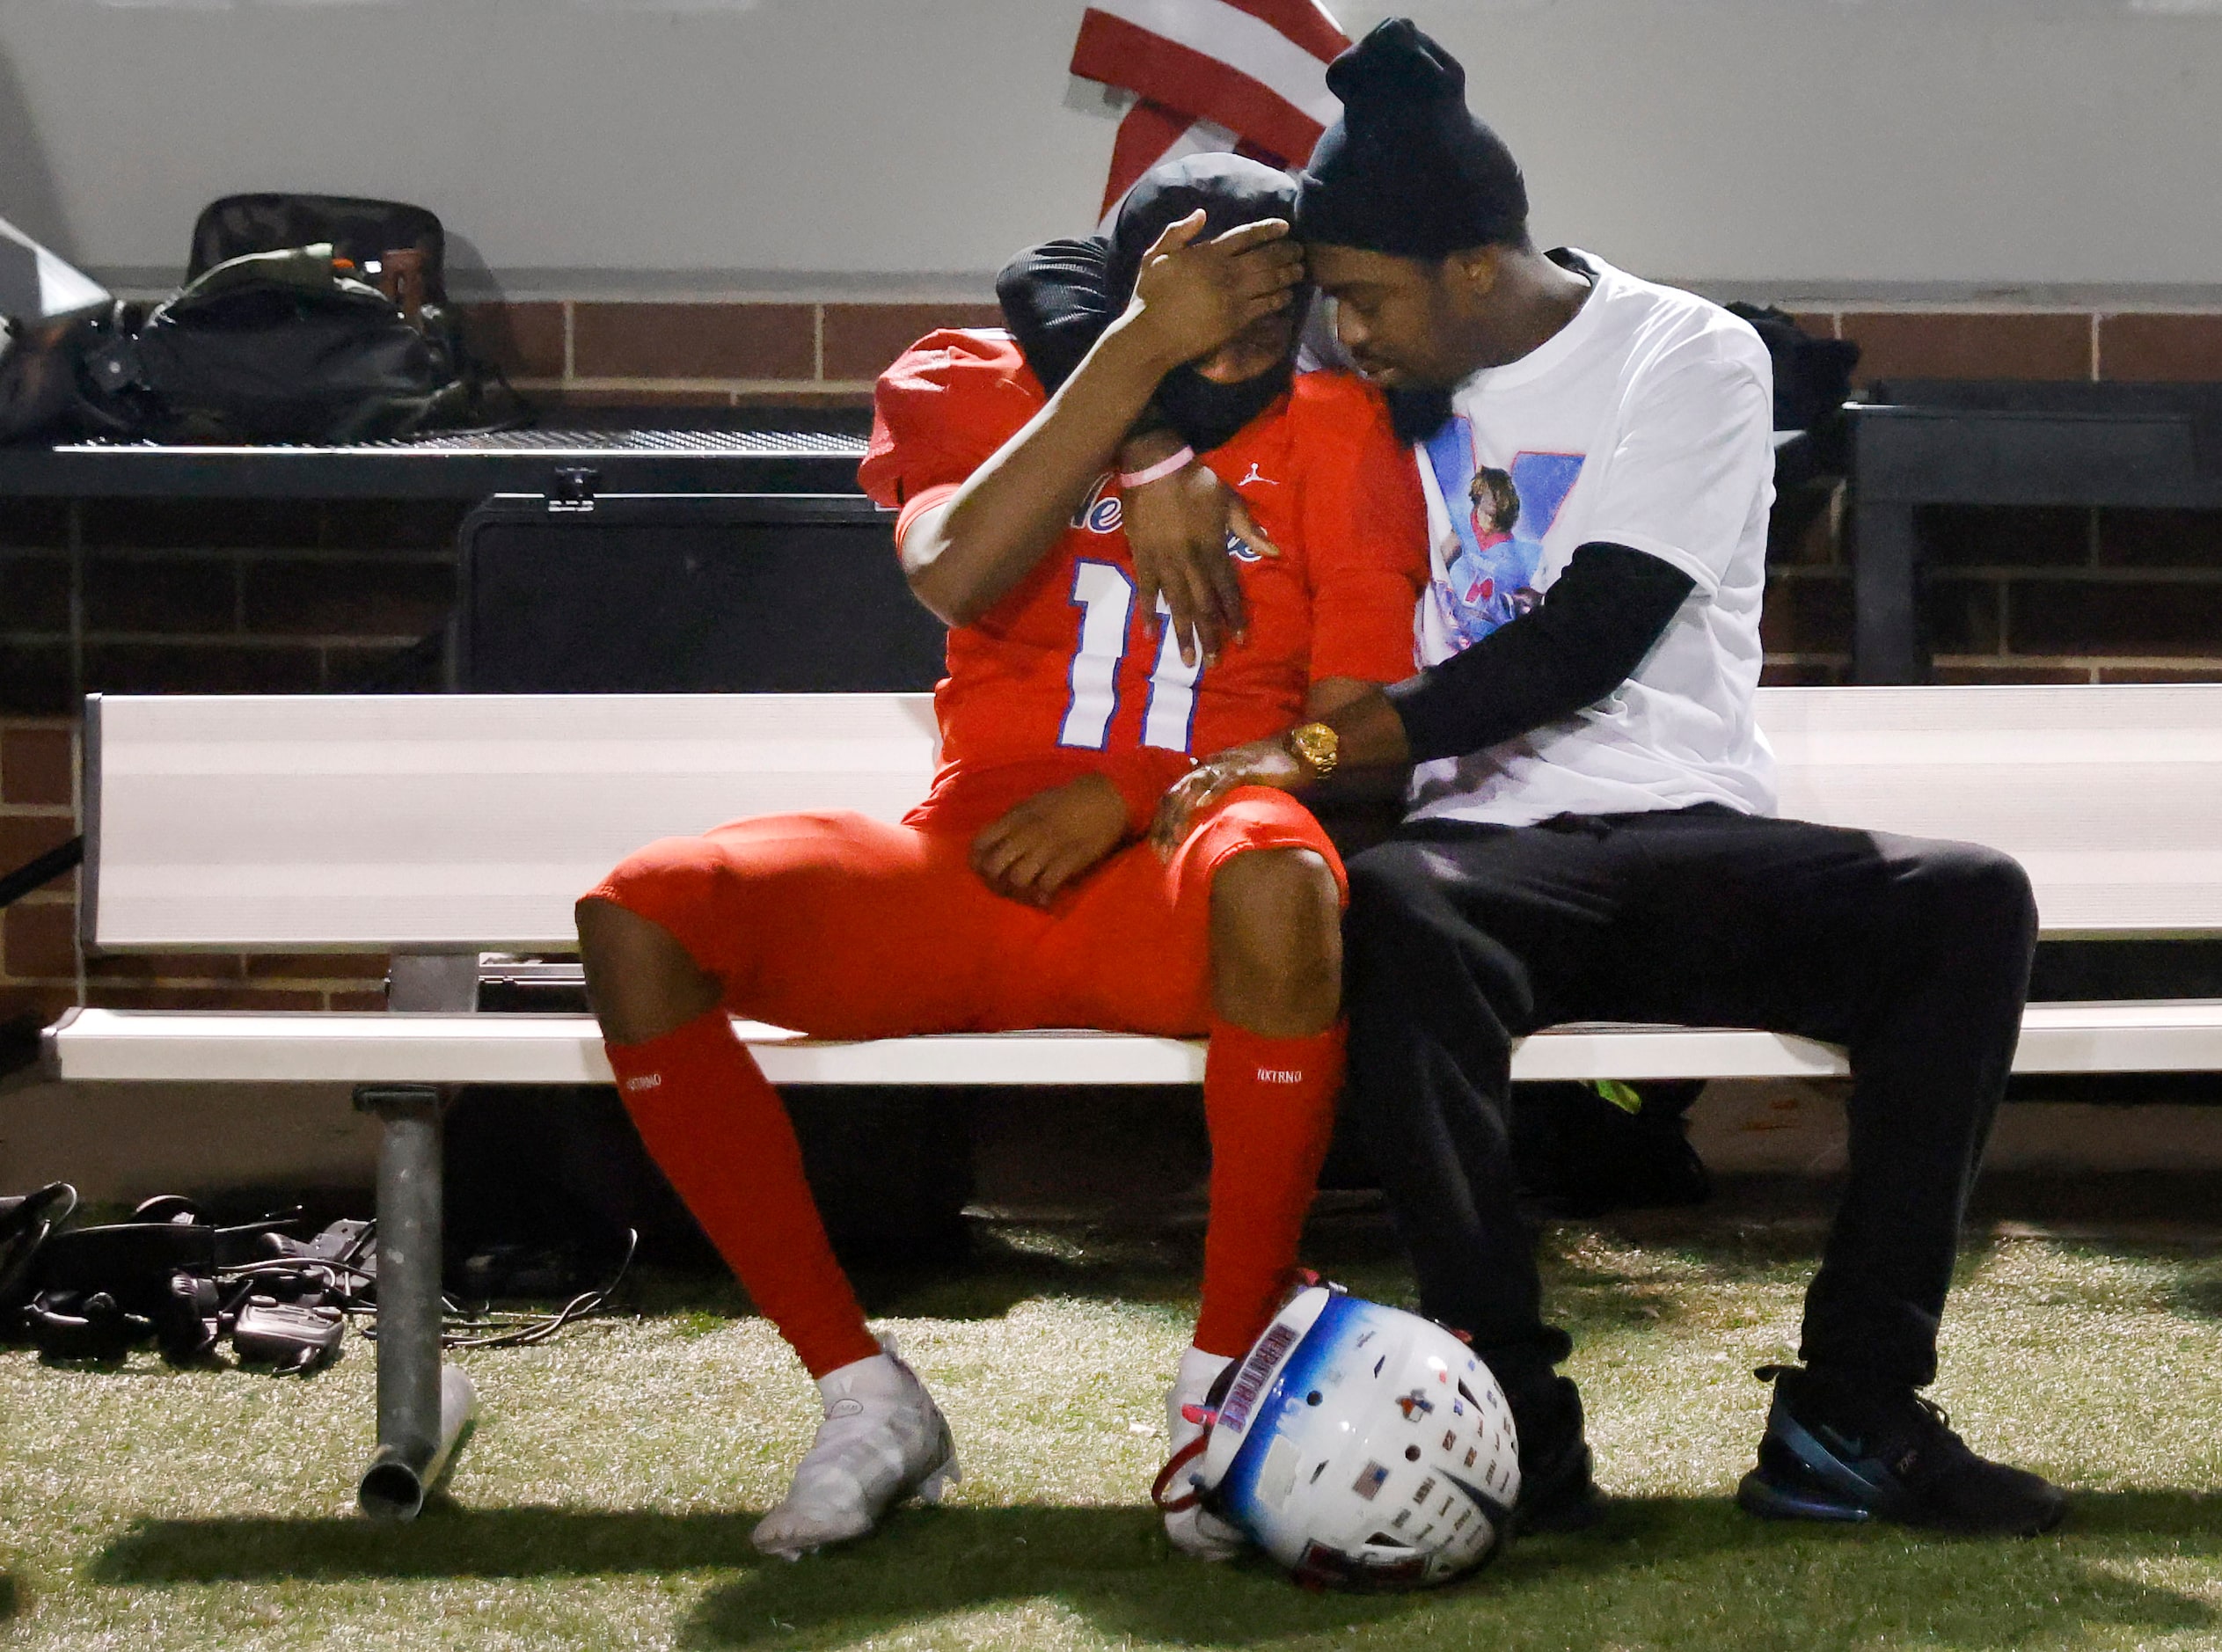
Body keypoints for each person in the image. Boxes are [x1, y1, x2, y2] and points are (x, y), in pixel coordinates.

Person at [1091, 19, 2063, 1539]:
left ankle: (1853, 1411)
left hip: (1682, 839)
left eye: (1365, 300)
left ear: (1474, 268)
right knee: (1400, 905)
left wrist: (1306, 749)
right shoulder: (1370, 380)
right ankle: (1514, 1426)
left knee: (1967, 900)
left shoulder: (1683, 352)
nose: (1343, 337)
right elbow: (1048, 284)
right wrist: (1152, 448)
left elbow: (1584, 641)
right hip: (1477, 863)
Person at [573, 154, 1427, 1562]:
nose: (1243, 345)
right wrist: (1137, 417)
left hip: (1185, 849)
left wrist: (1137, 788)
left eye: (1271, 312)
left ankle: (1217, 1386)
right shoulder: (973, 376)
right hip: (978, 854)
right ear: (1134, 296)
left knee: (1284, 878)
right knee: (645, 912)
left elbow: (1355, 735)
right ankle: (861, 1388)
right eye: (1207, 311)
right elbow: (957, 570)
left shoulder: (1341, 429)